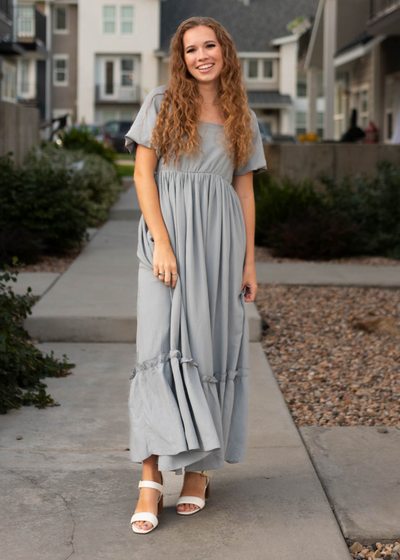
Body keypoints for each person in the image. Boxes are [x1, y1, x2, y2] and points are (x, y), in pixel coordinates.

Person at [124, 16, 267, 534]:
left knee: (209, 349)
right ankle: (150, 477)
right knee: (155, 351)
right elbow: (143, 173)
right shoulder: (162, 102)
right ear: (180, 59)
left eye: (209, 46)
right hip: (168, 241)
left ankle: (199, 474)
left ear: (224, 51)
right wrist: (162, 240)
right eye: (191, 50)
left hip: (221, 245)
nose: (201, 55)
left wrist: (249, 261)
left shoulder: (242, 117)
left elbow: (244, 191)